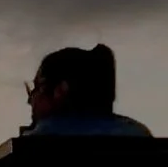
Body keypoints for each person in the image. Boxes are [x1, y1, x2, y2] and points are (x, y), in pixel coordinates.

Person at [23, 43, 152, 136]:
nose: (30, 100)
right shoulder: (137, 133)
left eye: (36, 89)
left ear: (61, 90)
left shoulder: (39, 139)